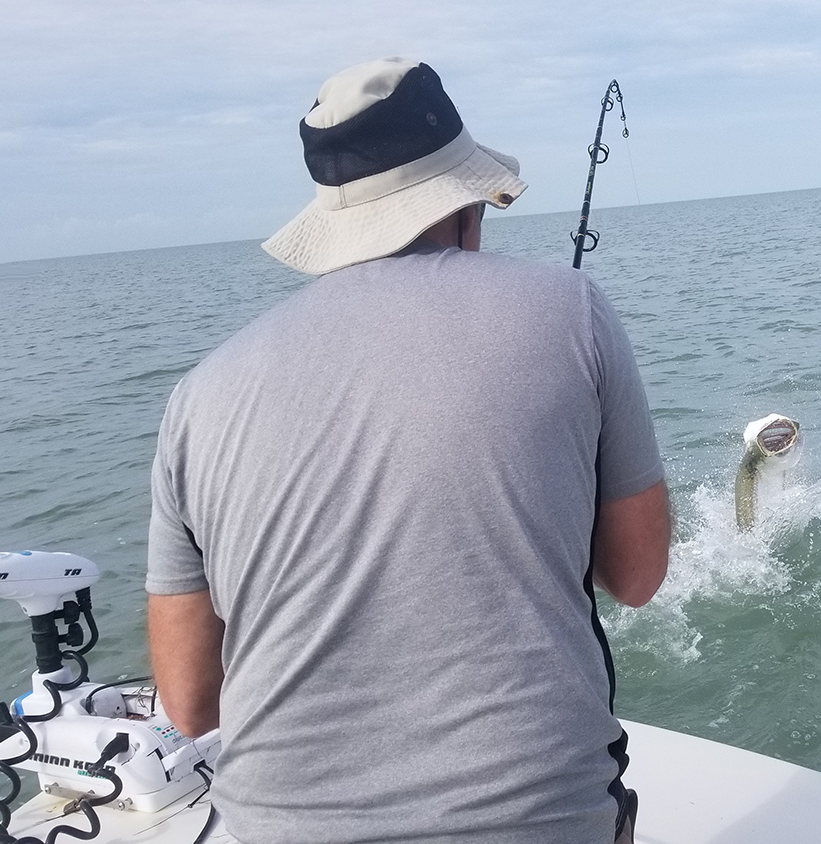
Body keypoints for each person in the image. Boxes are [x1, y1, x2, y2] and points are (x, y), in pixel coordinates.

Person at [145, 57, 669, 844]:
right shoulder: (573, 310)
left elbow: (190, 705)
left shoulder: (197, 397)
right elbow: (637, 575)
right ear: (465, 204)